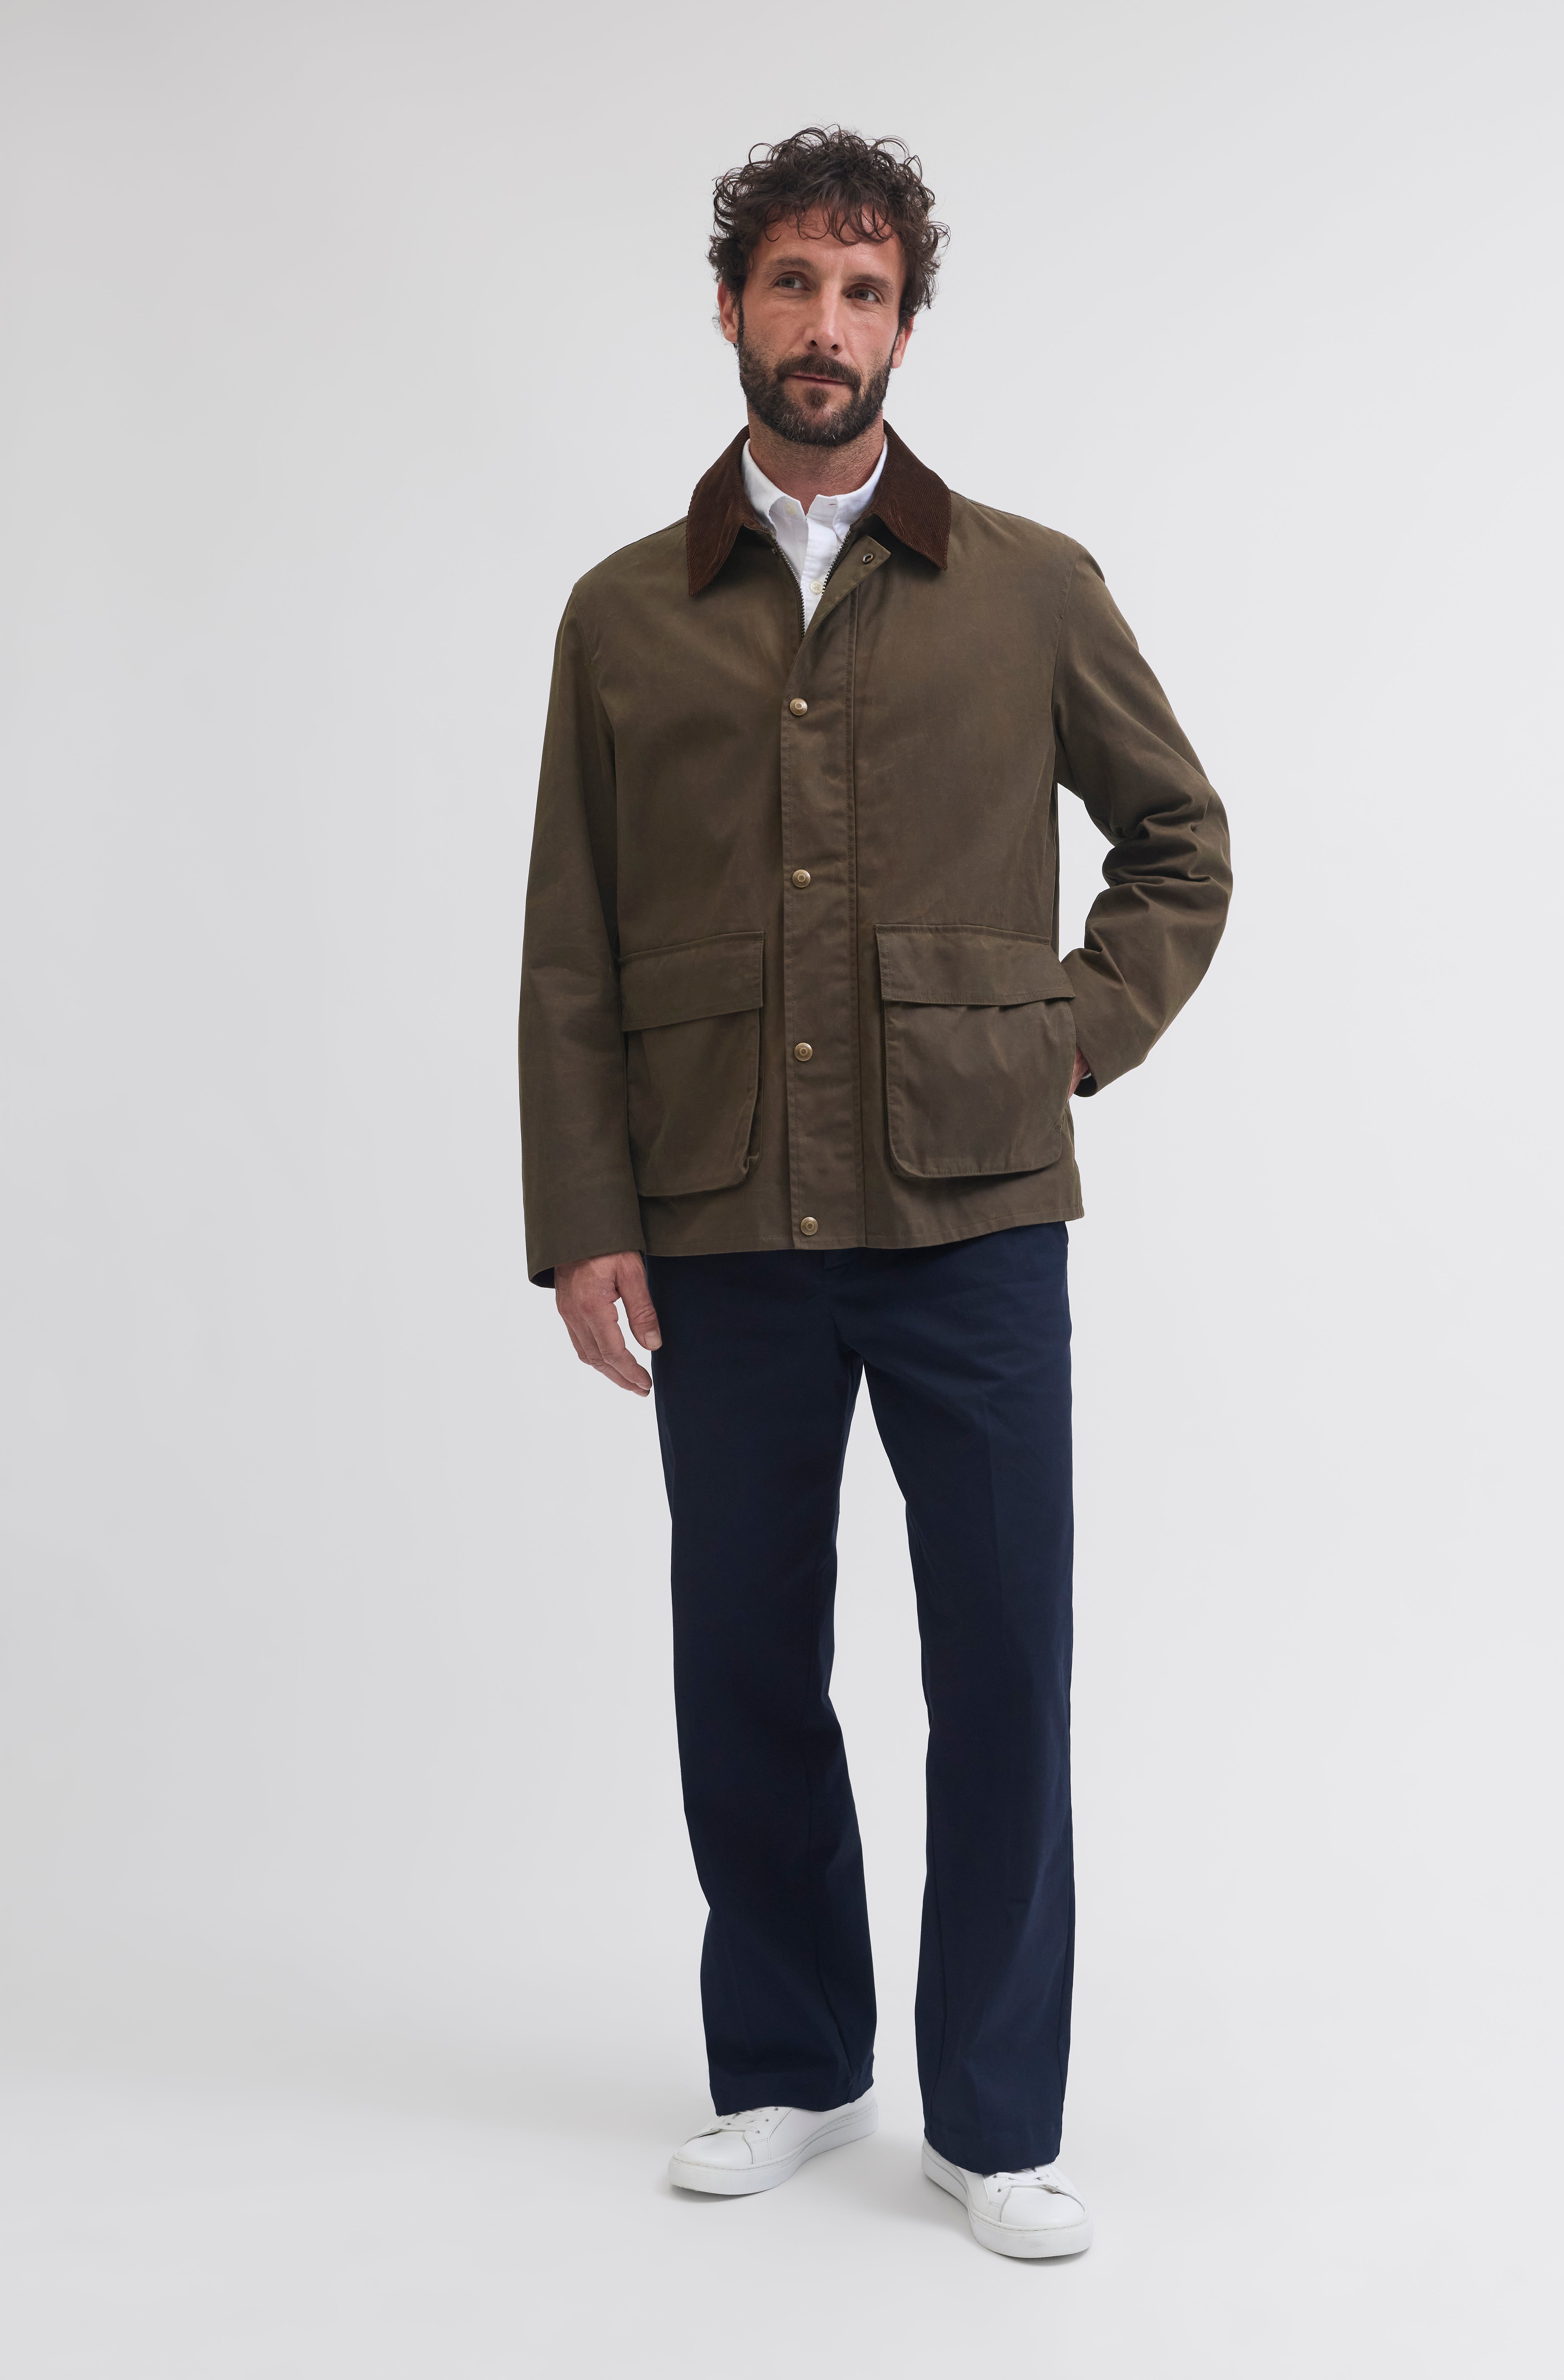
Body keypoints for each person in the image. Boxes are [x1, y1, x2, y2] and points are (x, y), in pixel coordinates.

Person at [518, 126, 1231, 2260]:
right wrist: (585, 1214)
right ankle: (792, 2067)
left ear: (904, 325)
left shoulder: (1028, 585)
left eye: (861, 291)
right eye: (791, 285)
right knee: (743, 1656)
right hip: (719, 1212)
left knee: (1000, 1663)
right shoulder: (623, 615)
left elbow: (1178, 841)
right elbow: (572, 940)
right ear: (730, 306)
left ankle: (994, 2120)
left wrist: (1064, 1036)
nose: (823, 326)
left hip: (972, 1213)